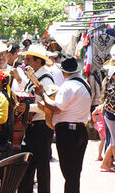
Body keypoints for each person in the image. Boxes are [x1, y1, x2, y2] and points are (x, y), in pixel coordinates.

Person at [35, 54, 91, 193]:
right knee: (74, 173)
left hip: (67, 132)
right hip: (80, 130)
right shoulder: (85, 84)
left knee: (69, 172)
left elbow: (56, 108)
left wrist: (42, 95)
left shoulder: (68, 86)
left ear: (63, 71)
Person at [17, 45, 55, 193]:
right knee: (28, 164)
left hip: (41, 127)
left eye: (28, 59)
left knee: (42, 167)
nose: (25, 62)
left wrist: (27, 108)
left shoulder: (46, 79)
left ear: (38, 62)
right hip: (33, 127)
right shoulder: (34, 77)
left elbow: (48, 105)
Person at [99, 64, 115, 173]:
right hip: (112, 117)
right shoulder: (114, 88)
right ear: (113, 75)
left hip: (110, 116)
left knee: (114, 141)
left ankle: (106, 163)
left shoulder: (112, 86)